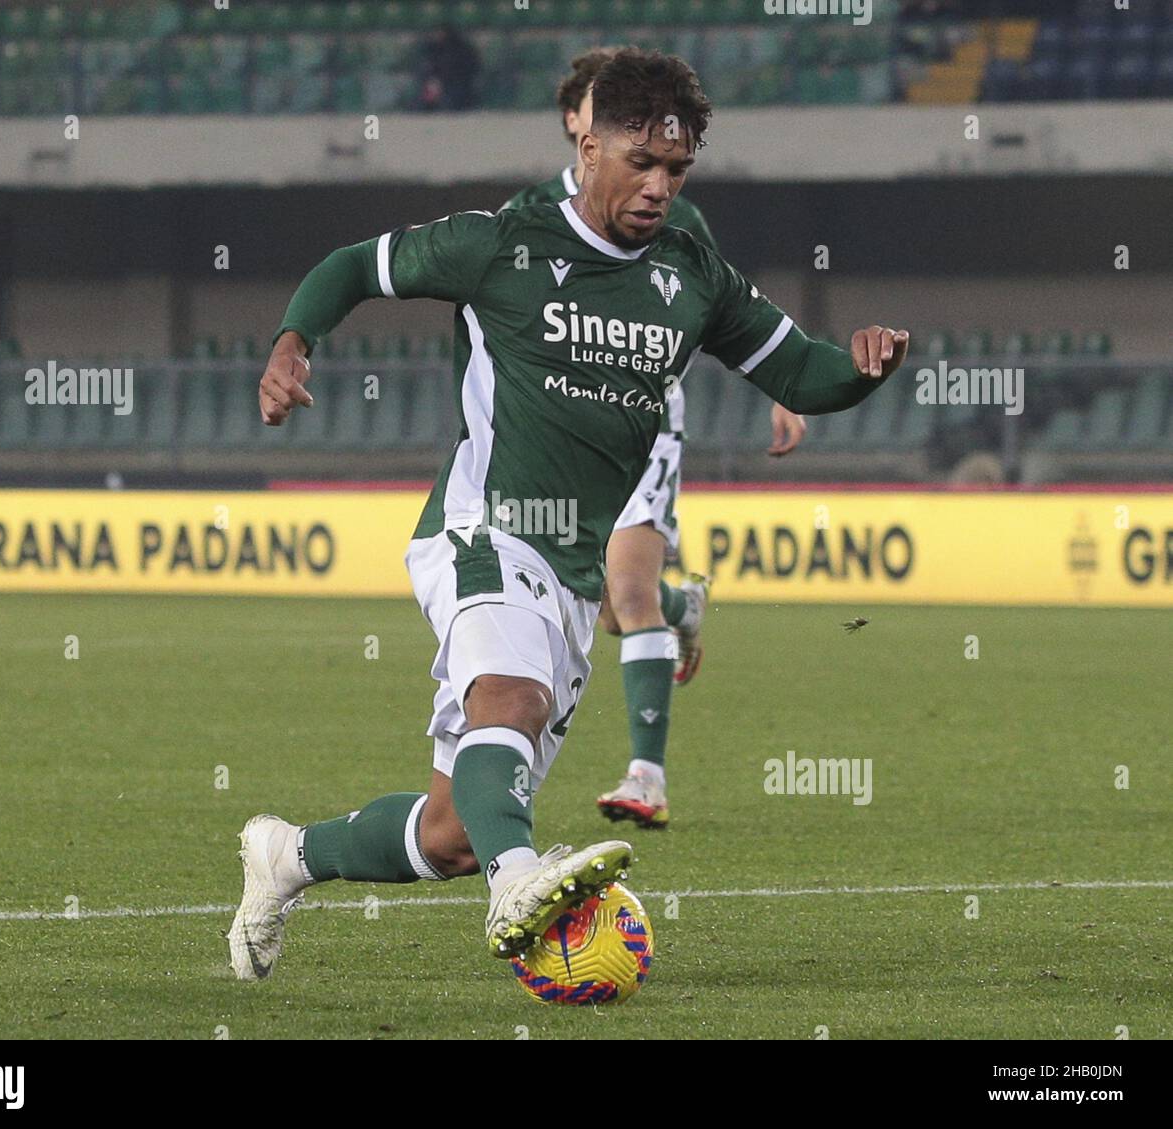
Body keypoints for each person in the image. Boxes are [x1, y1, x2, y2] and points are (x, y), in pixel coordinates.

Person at [229, 47, 907, 981]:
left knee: (453, 831)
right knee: (509, 704)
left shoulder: (691, 274)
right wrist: (291, 346)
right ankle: (517, 885)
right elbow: (356, 265)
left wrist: (862, 370)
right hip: (481, 527)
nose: (660, 186)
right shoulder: (500, 241)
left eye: (676, 170)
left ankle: (288, 856)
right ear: (588, 149)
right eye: (642, 162)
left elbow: (799, 370)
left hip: (571, 570)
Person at [499, 48, 809, 829]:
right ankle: (683, 605)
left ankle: (647, 776)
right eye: (587, 110)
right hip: (565, 433)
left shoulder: (669, 210)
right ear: (579, 128)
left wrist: (782, 383)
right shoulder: (529, 213)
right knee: (609, 604)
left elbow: (731, 309)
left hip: (645, 422)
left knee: (626, 595)